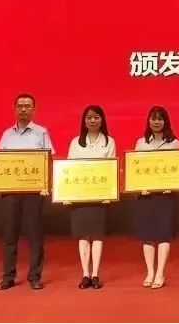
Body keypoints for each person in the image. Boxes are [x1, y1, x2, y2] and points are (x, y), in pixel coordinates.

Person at [0, 93, 55, 291]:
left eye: (27, 106)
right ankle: (8, 277)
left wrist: (46, 184)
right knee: (9, 237)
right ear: (14, 109)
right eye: (20, 106)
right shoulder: (7, 134)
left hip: (33, 193)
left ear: (33, 110)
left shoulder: (41, 133)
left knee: (35, 237)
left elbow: (49, 161)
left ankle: (35, 277)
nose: (23, 109)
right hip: (10, 192)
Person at [67, 105, 116, 290]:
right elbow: (69, 170)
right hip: (80, 196)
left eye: (96, 117)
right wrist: (67, 194)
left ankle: (95, 274)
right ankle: (85, 274)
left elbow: (111, 169)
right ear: (84, 121)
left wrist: (110, 193)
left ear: (102, 120)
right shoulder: (75, 142)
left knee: (97, 236)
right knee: (83, 236)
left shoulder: (109, 141)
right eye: (89, 117)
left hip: (100, 196)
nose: (93, 120)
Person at [134, 106, 179, 289]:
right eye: (153, 118)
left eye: (160, 119)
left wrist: (172, 184)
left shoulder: (174, 143)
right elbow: (135, 169)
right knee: (147, 236)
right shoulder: (141, 143)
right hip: (146, 196)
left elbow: (178, 169)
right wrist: (140, 186)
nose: (156, 122)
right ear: (148, 121)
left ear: (165, 121)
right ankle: (150, 272)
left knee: (163, 235)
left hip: (165, 196)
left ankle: (160, 272)